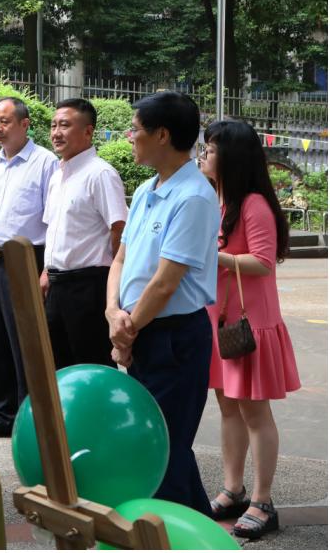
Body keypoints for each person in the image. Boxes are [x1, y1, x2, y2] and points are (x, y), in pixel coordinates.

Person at [106, 91, 219, 515]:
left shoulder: (193, 198)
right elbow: (121, 258)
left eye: (135, 129)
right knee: (156, 445)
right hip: (138, 328)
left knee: (163, 448)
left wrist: (126, 330)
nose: (129, 136)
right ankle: (195, 529)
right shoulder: (146, 189)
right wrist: (113, 312)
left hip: (173, 338)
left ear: (162, 135)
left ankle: (178, 533)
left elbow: (165, 283)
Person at [200, 120, 300, 538]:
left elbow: (262, 261)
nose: (203, 155)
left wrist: (213, 255)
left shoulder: (254, 203)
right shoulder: (217, 201)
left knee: (255, 412)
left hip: (249, 323)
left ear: (232, 157)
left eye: (210, 149)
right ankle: (233, 489)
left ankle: (263, 500)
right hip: (223, 320)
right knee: (228, 407)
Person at [0, 97, 58, 440]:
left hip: (25, 260)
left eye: (4, 121)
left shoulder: (45, 163)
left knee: (25, 342)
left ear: (24, 124)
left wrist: (46, 270)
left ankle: (29, 419)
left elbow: (54, 221)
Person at [42, 98, 127, 368]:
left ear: (88, 131)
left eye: (65, 125)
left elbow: (119, 229)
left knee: (92, 366)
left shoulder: (100, 174)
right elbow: (55, 230)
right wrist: (46, 272)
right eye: (53, 125)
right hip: (56, 285)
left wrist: (113, 282)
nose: (56, 133)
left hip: (88, 287)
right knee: (58, 367)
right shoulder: (57, 176)